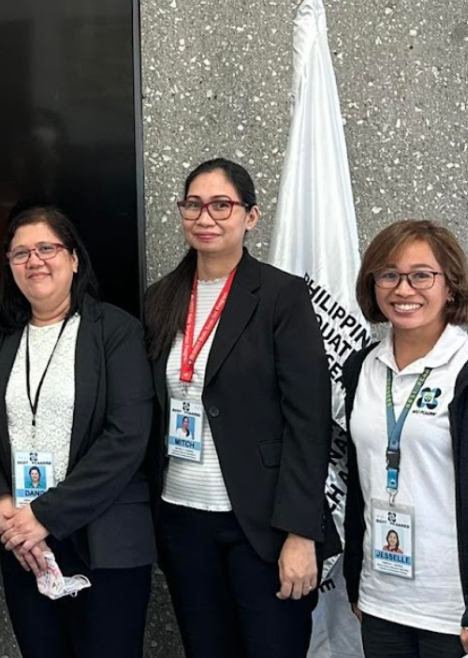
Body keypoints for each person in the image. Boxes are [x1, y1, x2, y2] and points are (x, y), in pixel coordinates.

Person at [142, 158, 334, 658]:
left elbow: (308, 421)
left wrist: (299, 532)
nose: (205, 217)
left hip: (262, 524)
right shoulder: (161, 299)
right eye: (193, 204)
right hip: (182, 520)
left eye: (221, 205)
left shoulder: (281, 296)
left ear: (250, 216)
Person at [341, 220, 468, 658]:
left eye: (421, 274)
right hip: (383, 603)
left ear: (450, 286)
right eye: (388, 274)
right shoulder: (363, 369)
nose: (403, 288)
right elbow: (362, 482)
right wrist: (358, 580)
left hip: (460, 613)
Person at [0, 205, 154, 658]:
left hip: (104, 542)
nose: (35, 261)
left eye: (46, 248)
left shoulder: (117, 331)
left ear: (73, 259)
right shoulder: (2, 336)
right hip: (24, 543)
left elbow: (126, 436)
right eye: (20, 253)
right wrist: (5, 508)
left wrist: (45, 515)